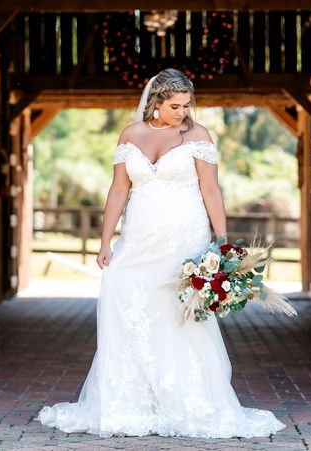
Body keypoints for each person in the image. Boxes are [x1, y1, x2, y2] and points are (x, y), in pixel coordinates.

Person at [36, 68, 286, 438]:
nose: (182, 112)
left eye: (186, 105)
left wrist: (222, 240)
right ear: (155, 103)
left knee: (178, 316)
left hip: (183, 240)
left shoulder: (198, 136)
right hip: (138, 240)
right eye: (174, 106)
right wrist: (106, 240)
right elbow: (119, 190)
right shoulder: (130, 136)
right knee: (125, 301)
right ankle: (130, 401)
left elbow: (211, 190)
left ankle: (188, 400)